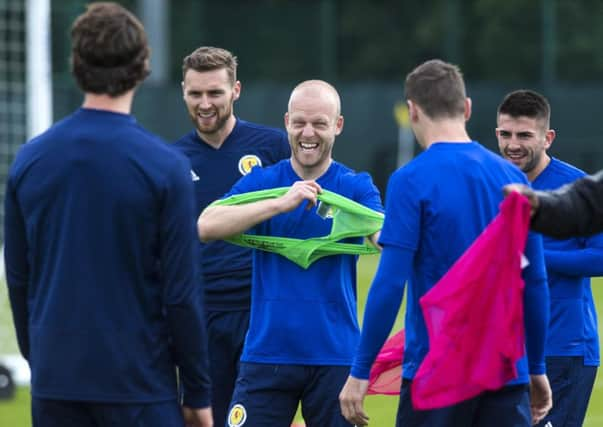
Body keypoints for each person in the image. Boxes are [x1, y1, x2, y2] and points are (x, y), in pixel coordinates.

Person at [3, 3, 212, 427]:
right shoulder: (164, 166)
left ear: (76, 64)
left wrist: (41, 360)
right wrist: (198, 392)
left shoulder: (29, 161)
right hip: (140, 388)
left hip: (57, 385)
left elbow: (19, 277)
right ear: (142, 67)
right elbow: (180, 294)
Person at [339, 59, 551, 427]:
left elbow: (390, 284)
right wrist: (536, 367)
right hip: (505, 371)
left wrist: (360, 371)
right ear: (467, 108)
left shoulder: (410, 180)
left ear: (412, 111)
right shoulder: (513, 179)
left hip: (436, 374)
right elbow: (535, 282)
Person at [198, 80, 383, 426]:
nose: (307, 133)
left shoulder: (356, 186)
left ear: (337, 126)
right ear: (286, 123)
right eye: (299, 122)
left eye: (319, 123)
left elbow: (382, 235)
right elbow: (207, 225)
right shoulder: (263, 182)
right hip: (267, 355)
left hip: (335, 357)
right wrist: (281, 203)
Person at [172, 46, 290, 426]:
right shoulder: (170, 162)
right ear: (183, 92)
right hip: (200, 316)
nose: (205, 103)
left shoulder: (274, 148)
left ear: (235, 90)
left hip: (262, 311)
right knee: (203, 417)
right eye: (196, 94)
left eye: (215, 93)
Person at [497, 89, 603, 427]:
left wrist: (532, 255)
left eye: (525, 135)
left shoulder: (577, 187)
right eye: (505, 134)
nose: (513, 144)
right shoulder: (490, 182)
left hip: (564, 347)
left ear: (548, 138)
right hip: (500, 348)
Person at [504, 170, 603, 238]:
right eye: (506, 137)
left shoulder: (572, 176)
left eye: (525, 137)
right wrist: (540, 204)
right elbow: (583, 203)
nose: (514, 145)